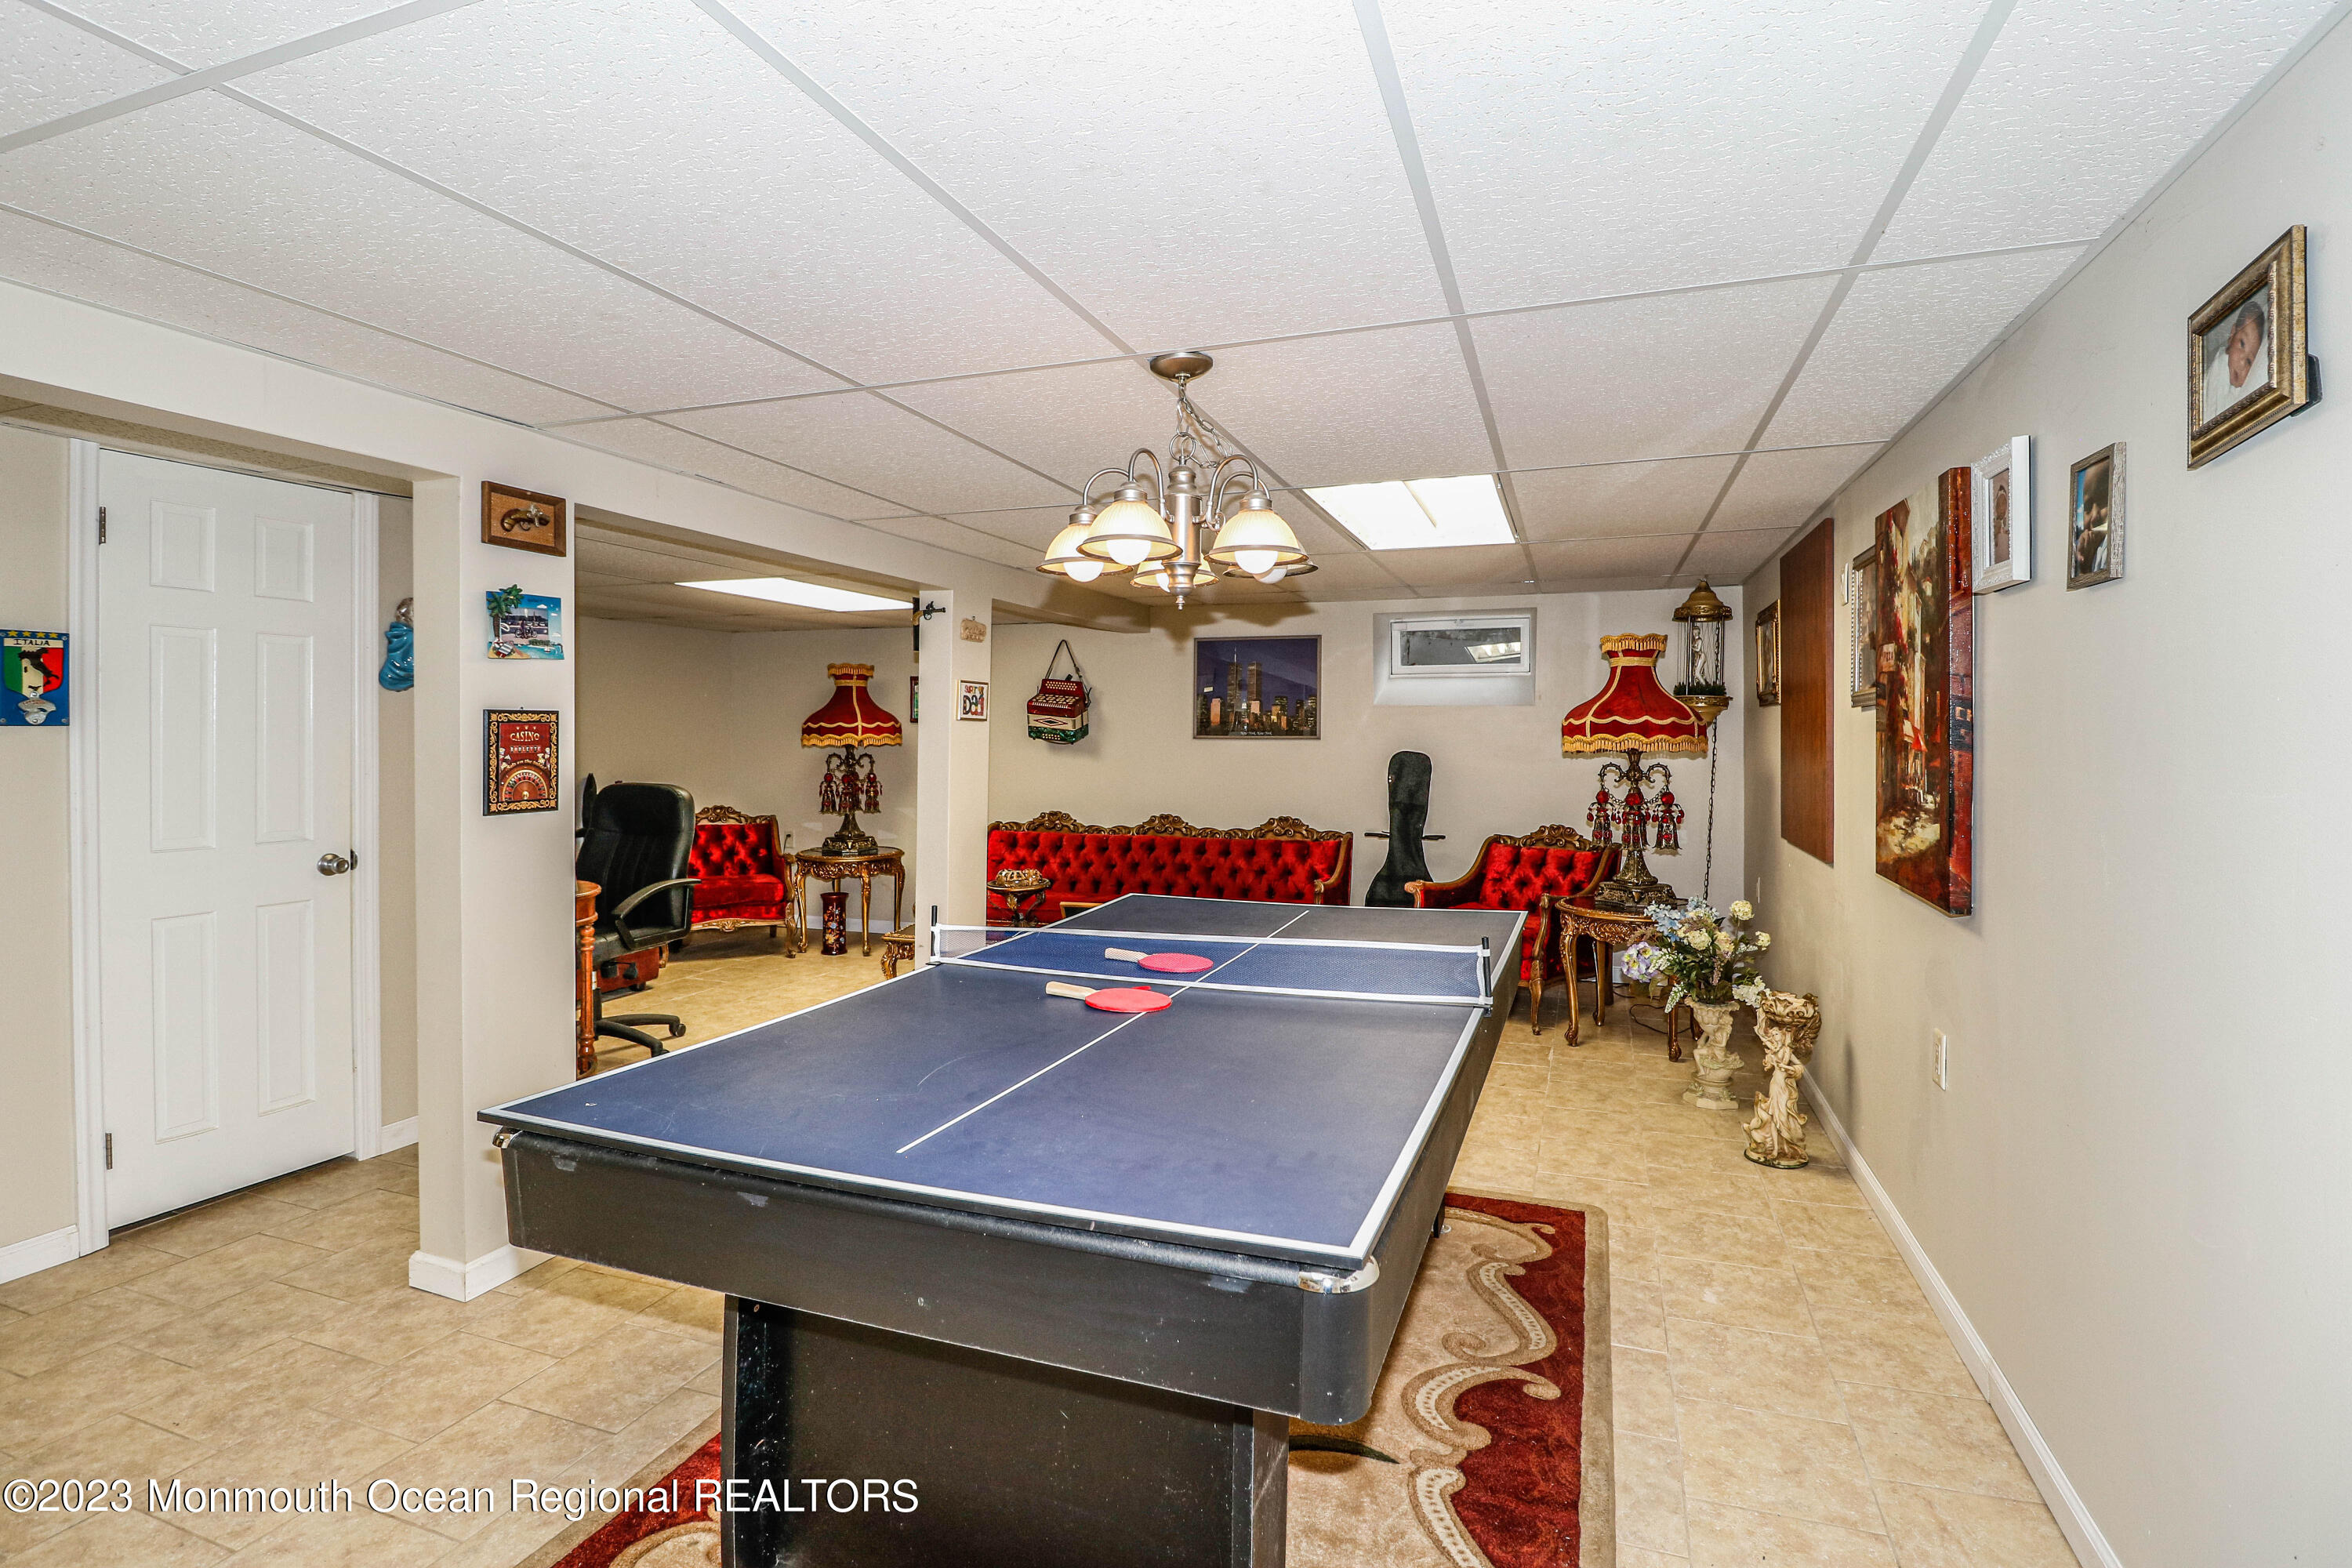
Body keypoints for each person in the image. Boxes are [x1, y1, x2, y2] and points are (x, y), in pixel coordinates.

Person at [2202, 295, 2269, 419]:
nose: (2243, 362)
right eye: (2242, 344)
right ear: (2232, 334)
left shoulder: (2244, 392)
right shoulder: (2219, 366)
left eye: (2249, 361)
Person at [2073, 466, 2111, 579]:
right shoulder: (2081, 548)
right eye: (2088, 508)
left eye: (2104, 501)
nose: (2094, 517)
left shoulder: (2106, 547)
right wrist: (2085, 567)